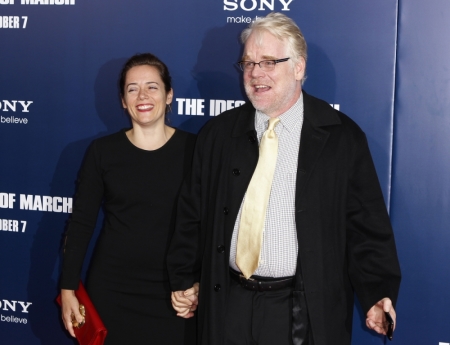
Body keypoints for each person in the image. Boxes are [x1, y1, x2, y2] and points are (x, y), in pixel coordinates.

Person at [167, 12, 401, 345]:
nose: (255, 73)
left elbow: (366, 225)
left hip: (303, 311)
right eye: (247, 63)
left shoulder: (341, 138)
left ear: (299, 68)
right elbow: (192, 212)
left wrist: (377, 291)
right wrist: (185, 278)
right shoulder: (219, 134)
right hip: (228, 304)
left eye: (269, 62)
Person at [60, 53, 197, 345]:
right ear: (123, 100)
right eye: (132, 88)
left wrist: (198, 283)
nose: (142, 95)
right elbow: (81, 223)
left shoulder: (196, 150)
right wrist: (68, 288)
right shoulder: (102, 152)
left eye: (152, 86)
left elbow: (211, 223)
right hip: (112, 291)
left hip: (176, 294)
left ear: (169, 94)